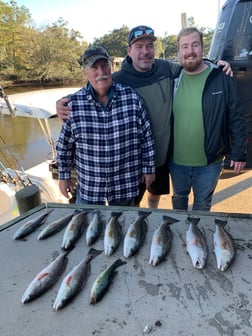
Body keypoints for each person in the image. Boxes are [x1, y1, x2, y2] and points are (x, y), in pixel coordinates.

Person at [56, 25, 232, 209]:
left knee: (155, 193)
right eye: (139, 47)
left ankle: (150, 217)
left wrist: (215, 64)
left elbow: (191, 61)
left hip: (161, 156)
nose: (145, 52)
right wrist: (63, 102)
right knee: (132, 202)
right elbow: (96, 81)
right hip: (129, 166)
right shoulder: (118, 79)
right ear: (129, 51)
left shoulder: (166, 68)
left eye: (150, 46)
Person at [56, 46, 156, 206]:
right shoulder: (72, 105)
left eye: (104, 66)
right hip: (90, 186)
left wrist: (149, 168)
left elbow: (146, 137)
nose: (101, 72)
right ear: (85, 73)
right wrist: (64, 176)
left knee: (125, 226)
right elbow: (65, 145)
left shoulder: (131, 97)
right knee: (88, 228)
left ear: (111, 68)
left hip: (125, 183)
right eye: (94, 68)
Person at [169, 27, 247, 211]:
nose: (190, 51)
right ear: (179, 51)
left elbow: (236, 117)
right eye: (185, 46)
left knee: (202, 205)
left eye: (195, 45)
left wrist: (238, 152)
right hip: (176, 161)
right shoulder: (172, 77)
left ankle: (199, 240)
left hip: (210, 161)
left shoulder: (221, 77)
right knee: (178, 201)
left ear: (203, 48)